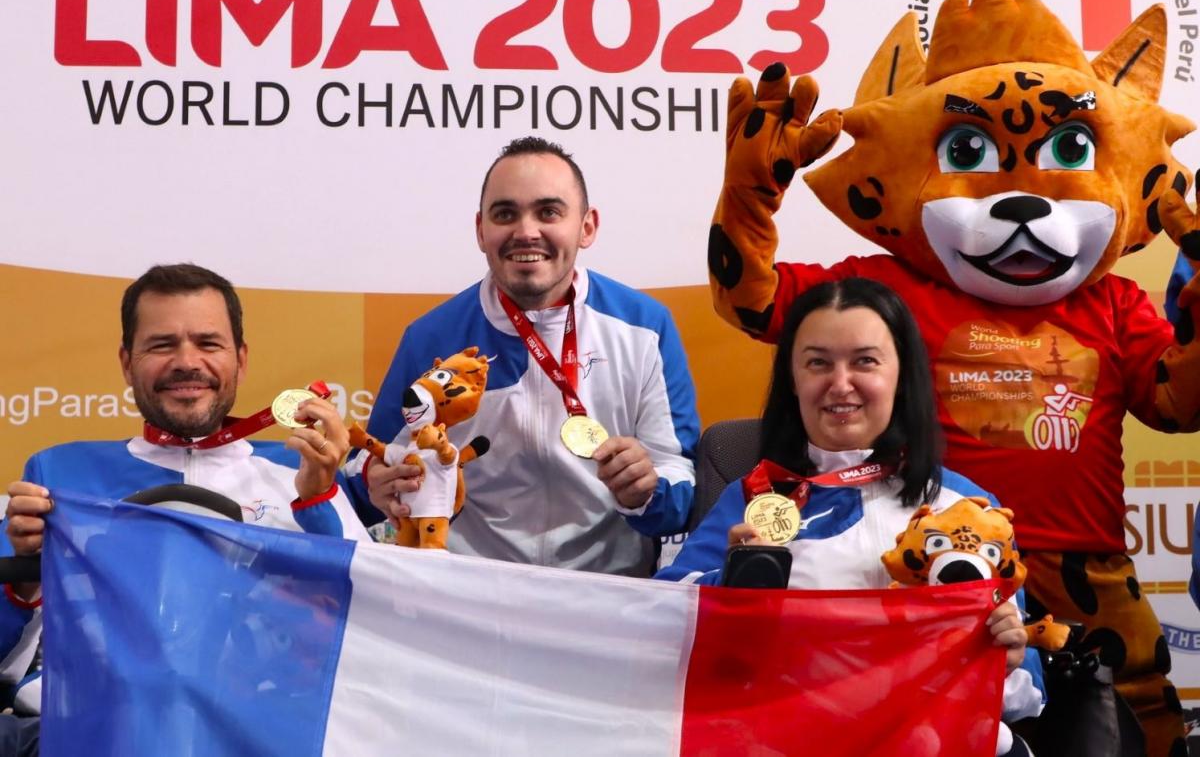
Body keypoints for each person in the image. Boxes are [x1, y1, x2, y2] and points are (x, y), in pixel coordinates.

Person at [657, 278, 1042, 756]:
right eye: (818, 362)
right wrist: (728, 589)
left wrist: (1004, 659)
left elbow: (1026, 692)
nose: (840, 384)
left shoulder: (969, 508)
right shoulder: (756, 497)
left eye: (865, 361)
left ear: (902, 373)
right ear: (793, 379)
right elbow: (666, 622)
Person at [0, 263, 369, 731]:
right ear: (126, 362)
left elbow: (367, 639)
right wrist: (25, 583)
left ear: (241, 358)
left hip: (259, 734)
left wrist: (319, 501)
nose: (187, 362)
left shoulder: (299, 470)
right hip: (100, 733)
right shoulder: (59, 475)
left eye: (208, 343)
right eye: (161, 344)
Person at [346, 136, 698, 576]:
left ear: (586, 227)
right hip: (469, 596)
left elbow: (680, 484)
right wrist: (373, 485)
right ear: (480, 230)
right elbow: (367, 474)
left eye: (549, 212)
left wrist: (646, 491)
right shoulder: (431, 338)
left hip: (609, 599)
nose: (526, 231)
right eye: (505, 214)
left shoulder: (645, 328)